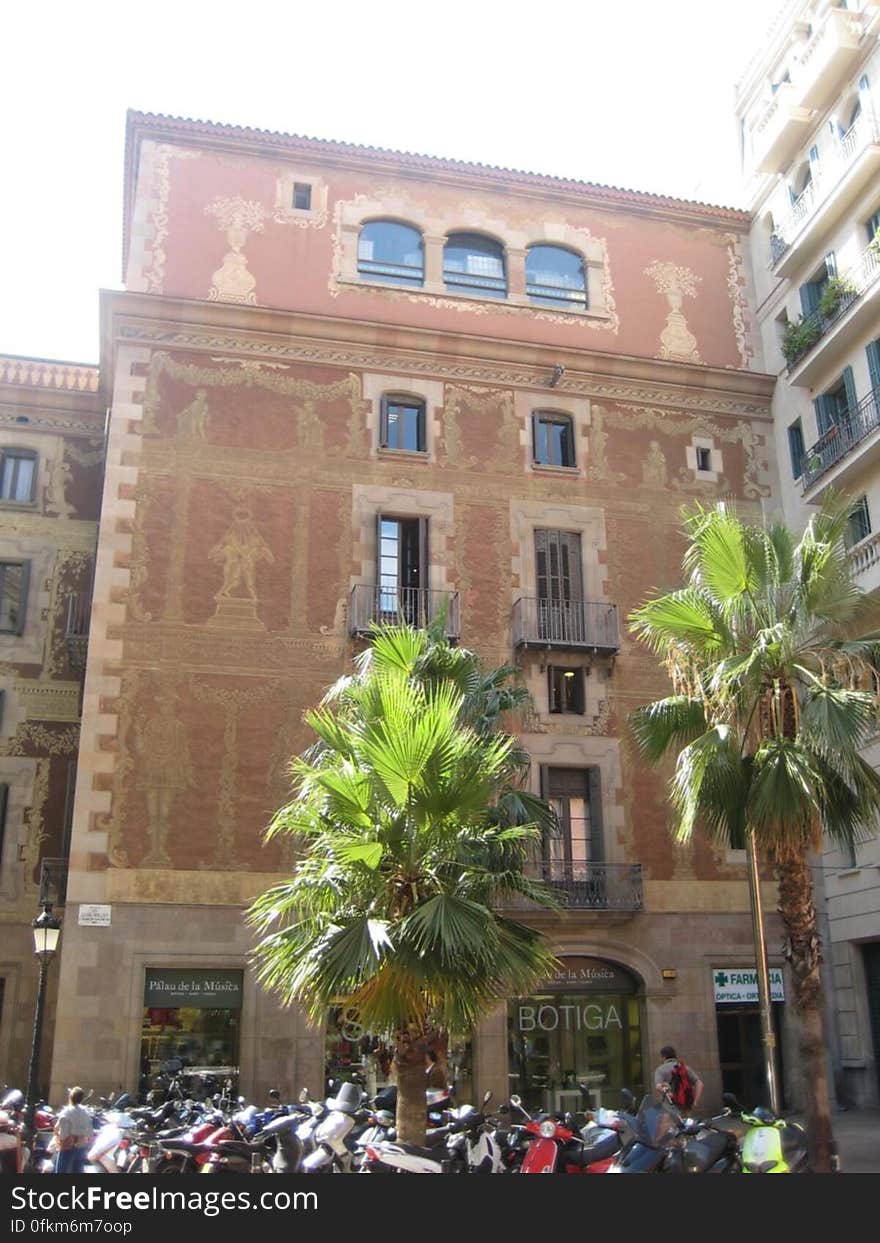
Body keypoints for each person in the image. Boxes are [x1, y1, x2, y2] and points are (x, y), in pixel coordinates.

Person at [53, 1086, 93, 1174]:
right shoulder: (86, 1113)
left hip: (67, 1146)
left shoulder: (66, 1112)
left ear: (70, 1097)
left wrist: (57, 1138)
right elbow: (90, 1134)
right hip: (80, 1146)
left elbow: (56, 1128)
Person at [653, 1045, 703, 1111]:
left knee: (670, 1121)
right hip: (685, 1105)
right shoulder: (685, 1068)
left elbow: (658, 1086)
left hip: (669, 1107)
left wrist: (669, 1094)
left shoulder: (660, 1070)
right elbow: (700, 1084)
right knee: (685, 1121)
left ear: (663, 1057)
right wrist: (695, 1101)